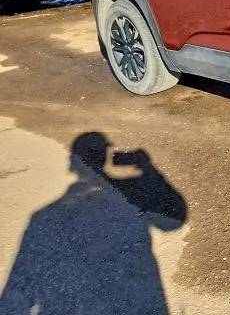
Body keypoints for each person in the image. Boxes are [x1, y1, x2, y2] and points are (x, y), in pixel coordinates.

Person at [0, 132, 187, 314]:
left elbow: (17, 289)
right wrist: (148, 168)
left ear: (74, 163)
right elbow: (173, 221)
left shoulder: (44, 217)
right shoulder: (131, 198)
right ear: (104, 158)